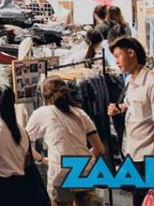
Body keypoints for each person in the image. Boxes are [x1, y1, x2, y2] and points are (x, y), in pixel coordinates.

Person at [107, 37, 154, 206]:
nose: (116, 62)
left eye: (118, 56)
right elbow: (131, 105)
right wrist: (119, 108)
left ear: (131, 53)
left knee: (145, 200)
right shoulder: (129, 80)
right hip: (132, 151)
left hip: (147, 156)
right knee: (138, 197)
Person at [26, 76, 105, 206]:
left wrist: (42, 159)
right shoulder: (80, 113)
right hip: (85, 170)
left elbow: (24, 144)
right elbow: (100, 149)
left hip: (61, 171)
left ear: (44, 95)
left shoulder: (41, 113)